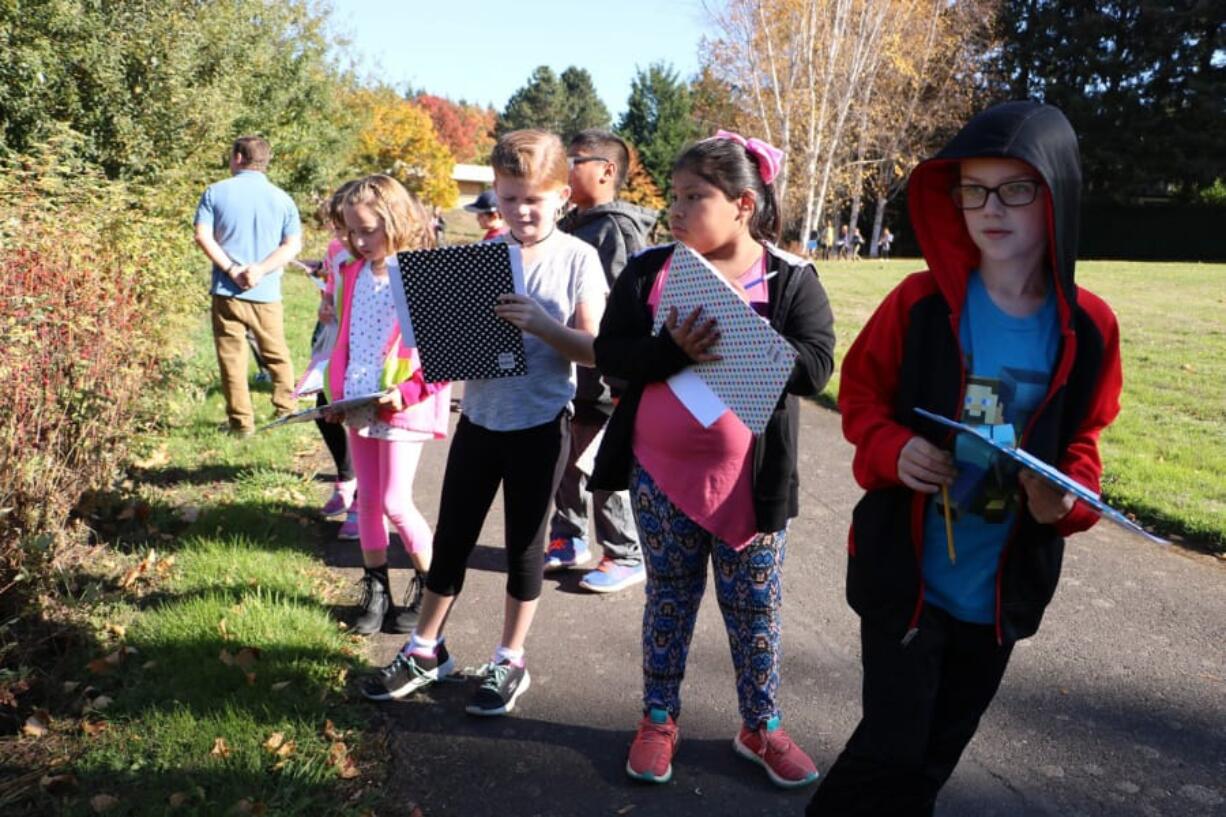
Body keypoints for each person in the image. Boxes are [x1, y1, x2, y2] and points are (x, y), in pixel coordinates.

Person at [807, 101, 1123, 816]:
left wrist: (1067, 502)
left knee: (936, 754)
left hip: (1001, 593)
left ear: (1057, 197)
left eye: (1016, 188)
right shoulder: (919, 303)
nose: (991, 207)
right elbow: (860, 398)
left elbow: (1086, 441)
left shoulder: (1090, 327)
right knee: (888, 748)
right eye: (973, 189)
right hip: (907, 578)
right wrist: (895, 450)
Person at [590, 131, 836, 788]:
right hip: (658, 473)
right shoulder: (649, 270)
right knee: (668, 597)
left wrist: (736, 336)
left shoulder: (790, 279)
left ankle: (761, 726)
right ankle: (658, 718)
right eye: (674, 197)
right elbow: (610, 353)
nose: (675, 211)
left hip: (748, 486)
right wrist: (669, 350)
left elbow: (816, 366)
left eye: (694, 197)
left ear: (744, 204)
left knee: (757, 606)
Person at [360, 130, 607, 715]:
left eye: (534, 199)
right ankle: (425, 649)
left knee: (526, 547)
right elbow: (446, 345)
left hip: (542, 425)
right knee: (452, 541)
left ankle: (509, 659)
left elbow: (596, 349)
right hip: (480, 418)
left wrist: (543, 327)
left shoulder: (579, 258)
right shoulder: (478, 259)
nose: (521, 210)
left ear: (561, 198)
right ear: (495, 194)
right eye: (510, 197)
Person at [323, 175, 452, 636]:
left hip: (402, 407)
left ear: (395, 221)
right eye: (351, 231)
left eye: (368, 230)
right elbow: (342, 341)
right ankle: (376, 590)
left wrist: (408, 392)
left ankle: (432, 588)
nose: (359, 241)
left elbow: (446, 356)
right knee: (370, 501)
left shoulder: (421, 275)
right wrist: (334, 396)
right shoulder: (351, 273)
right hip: (358, 401)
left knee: (397, 501)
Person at [544, 129, 656, 593]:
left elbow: (631, 303)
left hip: (604, 372)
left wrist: (620, 373)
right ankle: (569, 537)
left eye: (572, 160)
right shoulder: (571, 223)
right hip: (568, 370)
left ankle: (625, 552)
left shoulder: (615, 228)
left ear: (606, 171)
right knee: (566, 457)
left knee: (600, 462)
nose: (563, 169)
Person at [194, 135, 302, 436]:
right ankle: (286, 410)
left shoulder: (214, 192)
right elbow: (292, 245)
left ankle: (241, 424)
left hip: (227, 291)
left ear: (239, 158)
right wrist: (261, 270)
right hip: (266, 292)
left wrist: (231, 268)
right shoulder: (283, 199)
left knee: (232, 359)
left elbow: (203, 236)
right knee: (277, 353)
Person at [315, 182, 360, 541]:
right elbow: (330, 288)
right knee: (323, 406)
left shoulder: (375, 252)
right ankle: (346, 479)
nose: (342, 236)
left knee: (363, 417)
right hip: (336, 344)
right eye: (338, 227)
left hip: (368, 349)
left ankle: (363, 502)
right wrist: (326, 305)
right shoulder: (335, 250)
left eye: (346, 227)